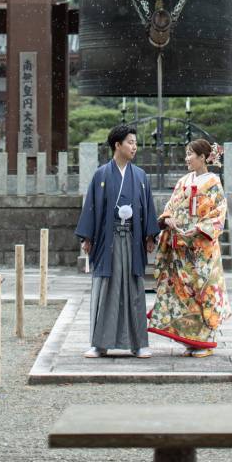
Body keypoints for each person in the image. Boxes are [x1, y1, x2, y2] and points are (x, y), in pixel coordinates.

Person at [75, 122, 160, 358]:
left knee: (134, 288)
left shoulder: (140, 176)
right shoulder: (101, 174)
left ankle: (139, 343)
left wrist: (150, 234)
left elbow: (147, 208)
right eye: (130, 142)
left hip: (132, 239)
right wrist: (88, 237)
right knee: (105, 288)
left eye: (135, 143)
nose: (134, 147)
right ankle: (99, 344)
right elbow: (91, 207)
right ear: (117, 145)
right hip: (108, 239)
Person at [148, 137, 231, 356]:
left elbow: (219, 212)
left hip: (202, 247)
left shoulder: (213, 182)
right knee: (183, 292)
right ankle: (190, 339)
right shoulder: (184, 180)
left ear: (203, 157)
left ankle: (205, 339)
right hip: (181, 247)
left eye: (190, 155)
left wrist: (199, 228)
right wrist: (167, 220)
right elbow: (170, 206)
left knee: (203, 290)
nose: (186, 159)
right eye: (186, 154)